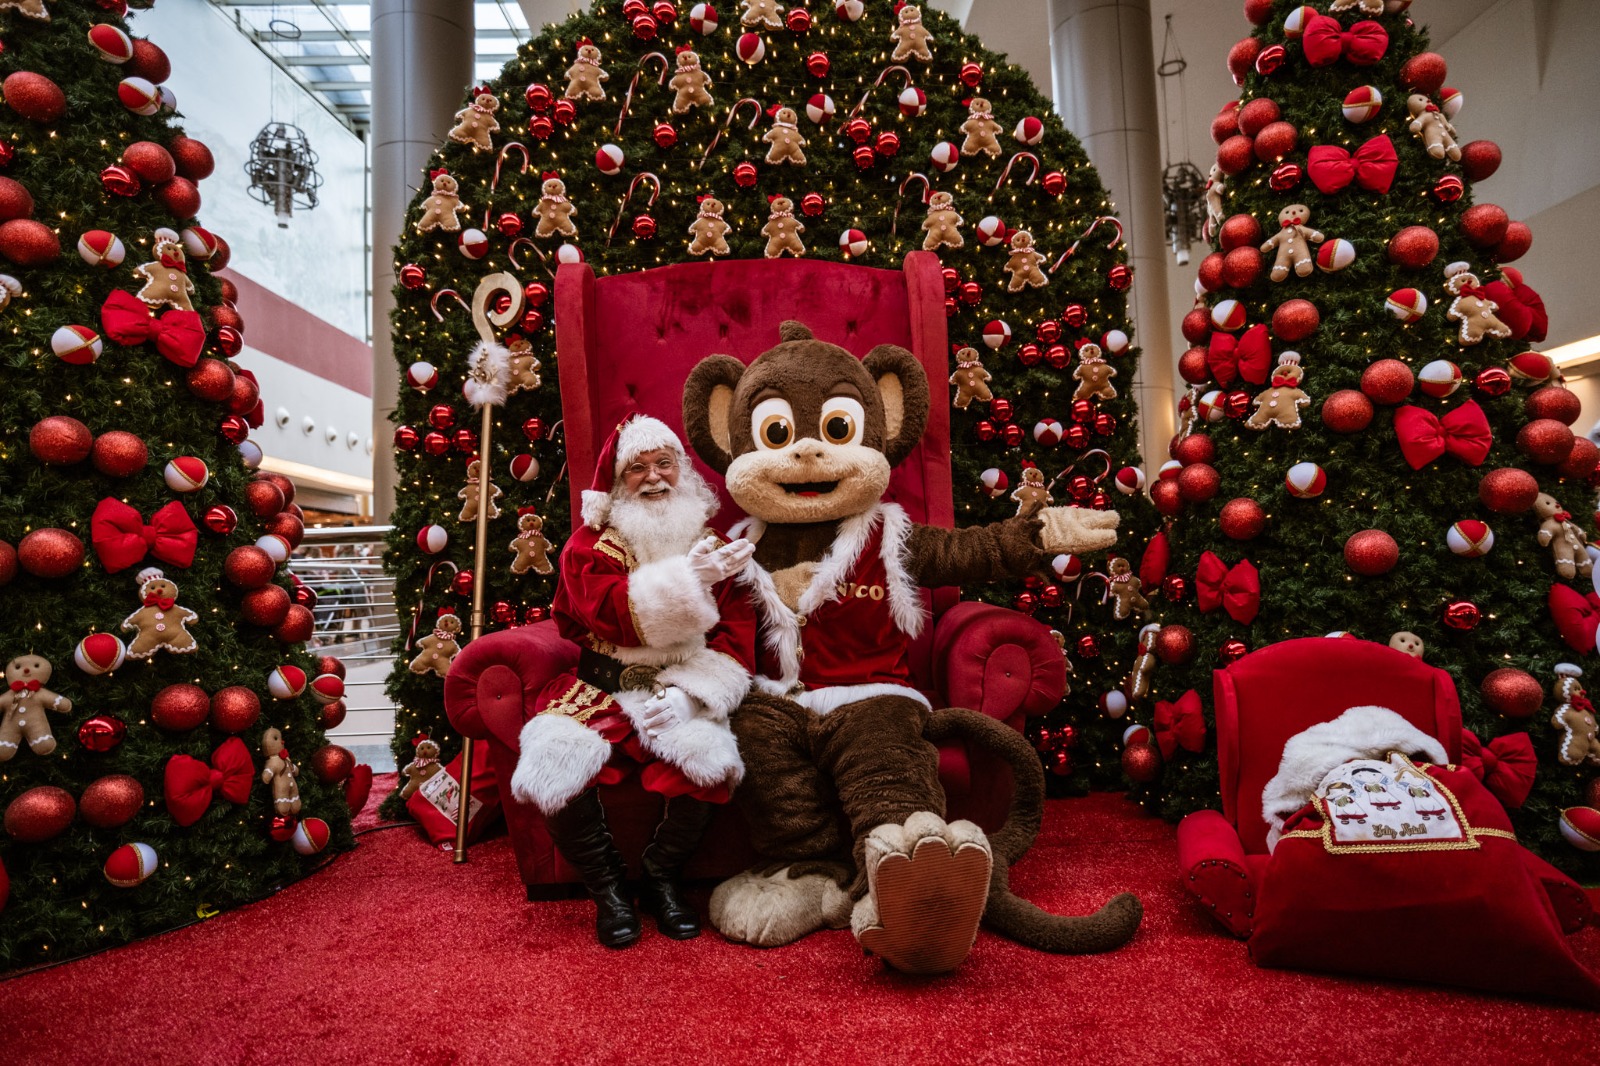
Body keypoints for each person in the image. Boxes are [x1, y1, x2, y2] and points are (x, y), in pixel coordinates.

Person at [509, 415, 756, 947]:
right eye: (637, 468)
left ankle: (662, 877)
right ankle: (610, 890)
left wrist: (695, 697)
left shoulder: (716, 546)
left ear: (683, 471)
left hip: (680, 681)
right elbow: (608, 614)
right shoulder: (590, 545)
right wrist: (689, 580)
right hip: (600, 686)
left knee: (710, 765)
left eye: (664, 463)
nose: (654, 477)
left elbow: (737, 637)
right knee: (554, 762)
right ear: (617, 484)